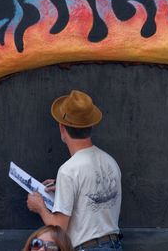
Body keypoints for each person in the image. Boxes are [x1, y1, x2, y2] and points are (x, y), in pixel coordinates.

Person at [27, 90, 123, 250]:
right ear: (90, 125)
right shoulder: (110, 161)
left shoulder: (68, 171)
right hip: (115, 246)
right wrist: (66, 187)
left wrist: (40, 207)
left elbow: (59, 228)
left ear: (62, 127)